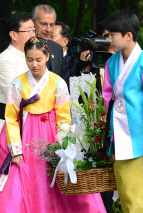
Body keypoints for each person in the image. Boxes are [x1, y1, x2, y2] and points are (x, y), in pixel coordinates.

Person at [0, 37, 106, 213]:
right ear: (25, 58)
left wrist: (63, 148)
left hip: (50, 135)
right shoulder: (18, 83)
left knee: (51, 181)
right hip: (24, 134)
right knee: (22, 182)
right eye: (30, 59)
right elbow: (11, 117)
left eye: (39, 59)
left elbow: (64, 117)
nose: (34, 64)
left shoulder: (58, 82)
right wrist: (16, 150)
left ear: (47, 56)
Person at [102, 10, 143, 213]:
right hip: (121, 142)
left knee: (142, 206)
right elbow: (108, 101)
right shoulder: (111, 62)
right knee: (127, 204)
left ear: (128, 36)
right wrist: (111, 142)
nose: (109, 39)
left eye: (113, 34)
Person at [0, 12, 35, 131]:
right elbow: (15, 94)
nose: (33, 35)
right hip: (10, 126)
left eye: (34, 30)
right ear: (13, 35)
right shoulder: (5, 59)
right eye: (28, 31)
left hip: (31, 123)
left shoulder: (33, 57)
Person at [33, 4, 63, 78]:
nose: (48, 30)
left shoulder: (57, 48)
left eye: (52, 25)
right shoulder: (24, 46)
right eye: (44, 24)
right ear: (33, 23)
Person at [51, 21, 79, 92]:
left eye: (52, 36)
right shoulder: (40, 62)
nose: (47, 40)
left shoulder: (74, 65)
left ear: (65, 42)